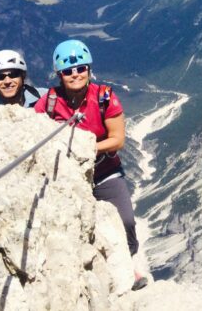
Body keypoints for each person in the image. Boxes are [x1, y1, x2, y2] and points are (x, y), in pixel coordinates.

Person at [35, 39, 148, 291]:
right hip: (67, 176)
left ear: (88, 69)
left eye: (80, 68)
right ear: (59, 74)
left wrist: (87, 148)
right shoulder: (50, 102)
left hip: (105, 171)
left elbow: (117, 140)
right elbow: (33, 131)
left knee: (126, 220)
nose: (75, 74)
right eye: (68, 71)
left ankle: (131, 265)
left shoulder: (104, 97)